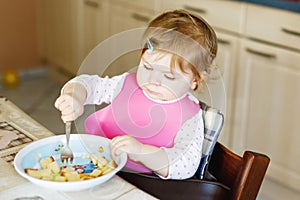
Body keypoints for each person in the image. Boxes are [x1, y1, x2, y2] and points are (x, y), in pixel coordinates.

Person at [54, 9, 218, 180]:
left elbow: (186, 165)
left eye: (169, 76)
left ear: (195, 80)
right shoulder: (126, 84)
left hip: (139, 184)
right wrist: (75, 96)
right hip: (92, 166)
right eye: (147, 67)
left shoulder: (190, 117)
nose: (153, 80)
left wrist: (141, 152)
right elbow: (89, 84)